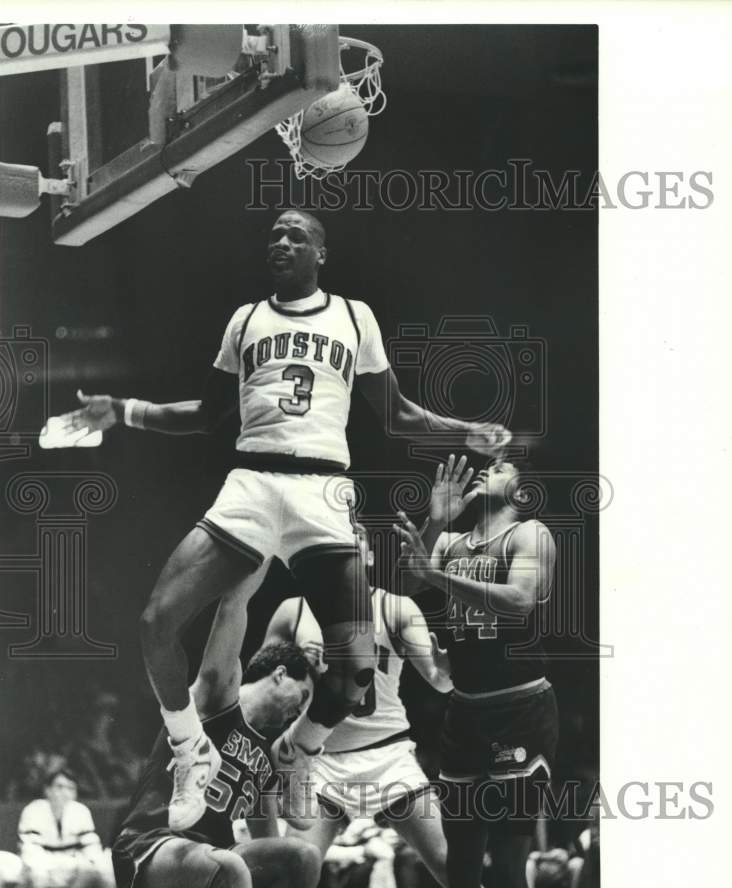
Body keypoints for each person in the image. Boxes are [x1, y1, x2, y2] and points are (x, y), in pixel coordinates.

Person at [60, 209, 511, 832]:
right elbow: (206, 414)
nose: (281, 242)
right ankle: (191, 751)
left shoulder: (354, 317)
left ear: (320, 253)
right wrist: (124, 409)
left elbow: (398, 414)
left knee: (355, 672)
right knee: (155, 622)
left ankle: (298, 750)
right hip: (252, 482)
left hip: (321, 489)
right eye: (274, 234)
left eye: (296, 236)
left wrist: (464, 432)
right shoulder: (246, 320)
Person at [194, 521, 504, 888]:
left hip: (387, 755)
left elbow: (440, 681)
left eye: (352, 547)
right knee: (291, 870)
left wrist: (452, 661)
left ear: (368, 556)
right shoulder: (294, 611)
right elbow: (266, 681)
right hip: (319, 760)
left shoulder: (396, 607)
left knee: (452, 867)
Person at [394, 453, 557, 888]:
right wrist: (435, 520)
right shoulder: (449, 541)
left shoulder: (529, 534)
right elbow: (407, 583)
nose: (488, 469)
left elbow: (519, 601)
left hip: (520, 710)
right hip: (464, 713)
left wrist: (437, 576)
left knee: (507, 866)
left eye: (503, 469)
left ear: (521, 493)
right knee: (461, 870)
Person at [111, 642, 322, 888]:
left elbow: (270, 851)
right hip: (149, 851)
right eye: (302, 696)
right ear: (280, 675)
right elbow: (227, 627)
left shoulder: (266, 757)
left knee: (302, 858)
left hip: (213, 866)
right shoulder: (217, 701)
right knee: (229, 867)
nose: (299, 712)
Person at [17, 767, 125, 888]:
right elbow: (30, 854)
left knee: (105, 872)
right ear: (47, 790)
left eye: (70, 788)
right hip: (38, 887)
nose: (64, 792)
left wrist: (77, 866)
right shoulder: (32, 811)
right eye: (59, 786)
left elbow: (92, 851)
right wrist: (67, 865)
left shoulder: (81, 811)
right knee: (36, 874)